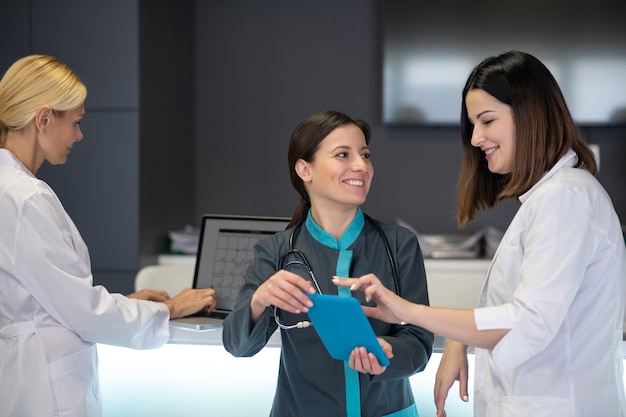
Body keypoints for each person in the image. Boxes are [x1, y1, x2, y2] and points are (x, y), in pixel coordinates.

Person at [337, 50, 626, 417]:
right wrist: (458, 339)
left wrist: (410, 311)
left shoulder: (565, 198)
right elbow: (525, 308)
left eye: (487, 120)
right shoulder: (552, 198)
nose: (476, 138)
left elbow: (528, 322)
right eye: (473, 124)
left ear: (530, 112)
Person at [0, 55, 218, 417]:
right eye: (76, 122)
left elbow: (46, 299)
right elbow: (82, 313)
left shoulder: (11, 191)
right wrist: (169, 308)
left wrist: (129, 302)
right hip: (44, 389)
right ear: (43, 119)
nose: (79, 135)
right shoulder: (25, 198)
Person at [222, 110, 434, 417]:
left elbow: (419, 342)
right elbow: (238, 345)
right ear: (304, 169)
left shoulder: (398, 244)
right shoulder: (277, 251)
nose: (361, 166)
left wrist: (390, 352)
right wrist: (259, 300)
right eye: (343, 155)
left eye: (365, 155)